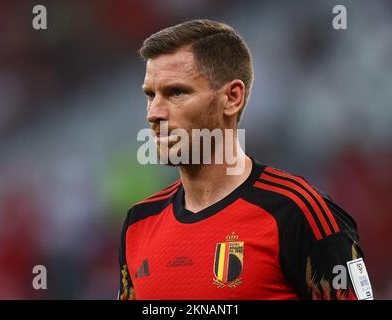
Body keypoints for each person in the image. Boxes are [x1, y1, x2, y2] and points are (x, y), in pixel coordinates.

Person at [118, 19, 373, 300]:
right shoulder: (138, 224)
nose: (154, 113)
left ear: (232, 97)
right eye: (150, 95)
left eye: (176, 92)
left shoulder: (298, 211)